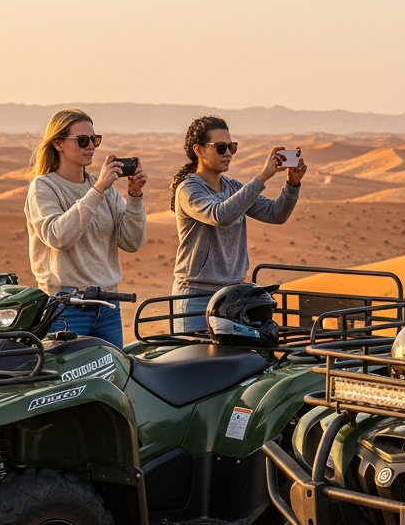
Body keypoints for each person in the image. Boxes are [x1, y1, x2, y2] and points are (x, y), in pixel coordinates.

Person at [24, 108, 147, 347]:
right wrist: (98, 190)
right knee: (70, 381)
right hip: (67, 308)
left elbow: (132, 242)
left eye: (94, 139)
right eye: (82, 140)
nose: (90, 146)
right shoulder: (44, 187)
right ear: (58, 143)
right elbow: (58, 236)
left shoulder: (104, 188)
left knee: (112, 377)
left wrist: (134, 196)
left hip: (107, 305)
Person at [170, 116, 306, 331]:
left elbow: (276, 214)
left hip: (233, 296)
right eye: (221, 147)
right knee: (196, 362)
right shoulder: (189, 190)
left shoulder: (232, 187)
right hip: (197, 296)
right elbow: (220, 215)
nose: (228, 153)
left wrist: (292, 183)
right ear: (199, 150)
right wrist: (262, 177)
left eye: (231, 147)